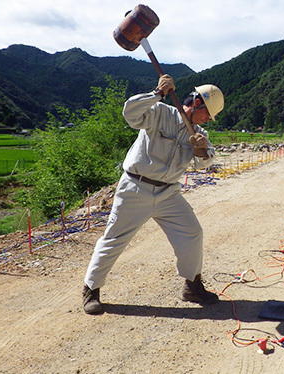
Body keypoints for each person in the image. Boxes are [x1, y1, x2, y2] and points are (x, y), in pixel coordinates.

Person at [82, 74, 224, 315]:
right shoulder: (159, 112)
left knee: (192, 233)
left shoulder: (199, 133)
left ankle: (192, 286)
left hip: (169, 193)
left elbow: (205, 163)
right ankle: (91, 290)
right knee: (114, 239)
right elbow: (130, 114)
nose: (208, 120)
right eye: (208, 114)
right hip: (136, 188)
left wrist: (201, 151)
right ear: (197, 104)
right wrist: (158, 92)